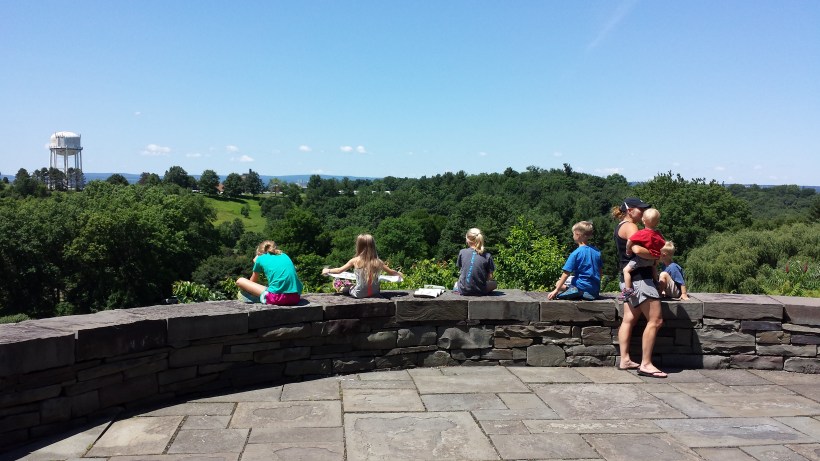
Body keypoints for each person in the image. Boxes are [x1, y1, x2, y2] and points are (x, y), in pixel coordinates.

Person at [613, 197, 667, 378]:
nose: (643, 212)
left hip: (627, 277)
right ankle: (646, 364)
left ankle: (625, 359)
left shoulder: (621, 225)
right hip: (640, 278)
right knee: (656, 320)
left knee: (629, 318)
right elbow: (637, 250)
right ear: (630, 210)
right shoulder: (632, 227)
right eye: (640, 209)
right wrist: (657, 254)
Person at [322, 234, 403, 298]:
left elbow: (339, 270)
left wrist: (327, 270)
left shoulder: (355, 260)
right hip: (375, 292)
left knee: (349, 287)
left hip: (359, 294)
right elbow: (392, 272)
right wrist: (399, 274)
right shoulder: (378, 262)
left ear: (359, 246)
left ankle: (340, 287)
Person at [235, 240, 303, 306]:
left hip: (276, 298)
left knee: (240, 281)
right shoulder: (285, 255)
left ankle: (261, 298)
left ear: (259, 252)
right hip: (295, 297)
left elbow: (252, 282)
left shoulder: (260, 258)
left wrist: (256, 263)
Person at [547, 221, 602, 300]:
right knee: (579, 282)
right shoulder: (597, 252)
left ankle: (577, 291)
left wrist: (556, 290)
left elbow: (566, 273)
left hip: (581, 286)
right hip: (594, 289)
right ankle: (585, 292)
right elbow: (600, 273)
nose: (573, 236)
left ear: (578, 235)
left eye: (573, 234)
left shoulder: (576, 253)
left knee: (558, 283)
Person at [621, 208, 665, 300]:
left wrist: (628, 249)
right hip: (652, 260)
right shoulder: (658, 234)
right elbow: (663, 244)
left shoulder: (642, 233)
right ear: (657, 222)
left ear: (643, 220)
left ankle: (628, 290)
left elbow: (630, 240)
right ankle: (656, 281)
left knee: (626, 270)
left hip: (641, 260)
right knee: (654, 266)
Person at [455, 228, 498, 295]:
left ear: (467, 240)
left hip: (463, 290)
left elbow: (462, 270)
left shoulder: (462, 252)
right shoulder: (487, 256)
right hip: (480, 291)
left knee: (457, 283)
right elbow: (490, 277)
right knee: (494, 284)